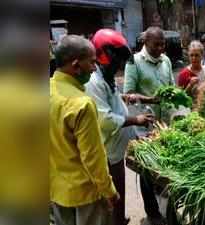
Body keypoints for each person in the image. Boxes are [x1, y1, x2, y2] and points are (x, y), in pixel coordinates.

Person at [85, 29, 155, 225]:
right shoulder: (93, 82)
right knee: (112, 196)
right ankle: (116, 220)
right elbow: (105, 119)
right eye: (117, 61)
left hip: (116, 149)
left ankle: (119, 218)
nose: (119, 67)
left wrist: (127, 98)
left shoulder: (106, 77)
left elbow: (112, 101)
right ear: (103, 56)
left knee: (119, 193)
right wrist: (136, 120)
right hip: (106, 152)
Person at [50, 35, 119, 225]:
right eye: (92, 62)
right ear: (75, 65)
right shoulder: (82, 104)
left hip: (55, 189)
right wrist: (109, 191)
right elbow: (93, 157)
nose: (95, 67)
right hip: (85, 194)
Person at [124, 26, 174, 225]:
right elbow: (128, 95)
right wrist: (151, 100)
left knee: (162, 166)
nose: (161, 48)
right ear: (145, 42)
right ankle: (152, 213)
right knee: (146, 169)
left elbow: (171, 86)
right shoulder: (134, 62)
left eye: (163, 44)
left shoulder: (166, 60)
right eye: (157, 44)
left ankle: (163, 203)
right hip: (144, 125)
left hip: (164, 123)